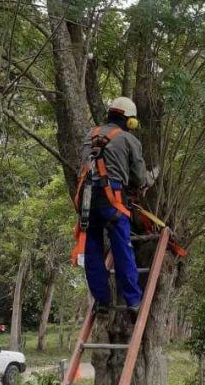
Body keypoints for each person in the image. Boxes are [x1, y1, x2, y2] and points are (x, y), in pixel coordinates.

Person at [81, 97, 147, 315]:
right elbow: (139, 178)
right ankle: (133, 302)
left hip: (87, 201)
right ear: (129, 121)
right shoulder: (129, 140)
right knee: (122, 249)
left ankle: (101, 302)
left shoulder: (90, 135)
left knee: (92, 250)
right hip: (113, 199)